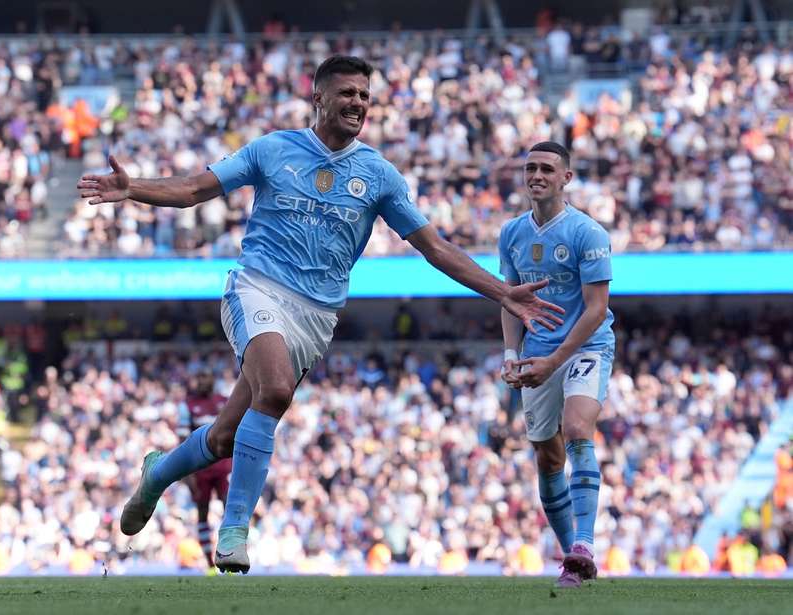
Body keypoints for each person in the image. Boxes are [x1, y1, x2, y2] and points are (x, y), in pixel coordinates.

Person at [78, 55, 564, 574]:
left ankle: (157, 474)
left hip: (316, 315)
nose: (358, 103)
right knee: (278, 389)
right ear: (319, 98)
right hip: (257, 287)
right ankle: (234, 531)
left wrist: (502, 292)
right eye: (348, 93)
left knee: (224, 437)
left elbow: (435, 248)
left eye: (365, 96)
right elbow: (196, 189)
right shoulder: (273, 149)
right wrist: (133, 189)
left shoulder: (377, 174)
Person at [499, 141, 614, 588]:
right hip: (536, 353)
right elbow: (511, 301)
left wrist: (554, 361)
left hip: (585, 346)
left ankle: (583, 544)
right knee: (547, 456)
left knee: (579, 429)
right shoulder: (511, 233)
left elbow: (595, 309)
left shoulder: (588, 233)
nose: (536, 175)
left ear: (566, 178)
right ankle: (572, 557)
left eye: (547, 168)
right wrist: (513, 355)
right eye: (530, 168)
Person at [179, 373, 231, 575]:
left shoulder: (224, 402)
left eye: (205, 380)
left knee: (230, 508)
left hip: (223, 465)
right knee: (202, 513)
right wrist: (187, 472)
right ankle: (210, 565)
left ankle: (227, 555)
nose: (202, 383)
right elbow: (182, 439)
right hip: (200, 468)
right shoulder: (187, 406)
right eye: (199, 380)